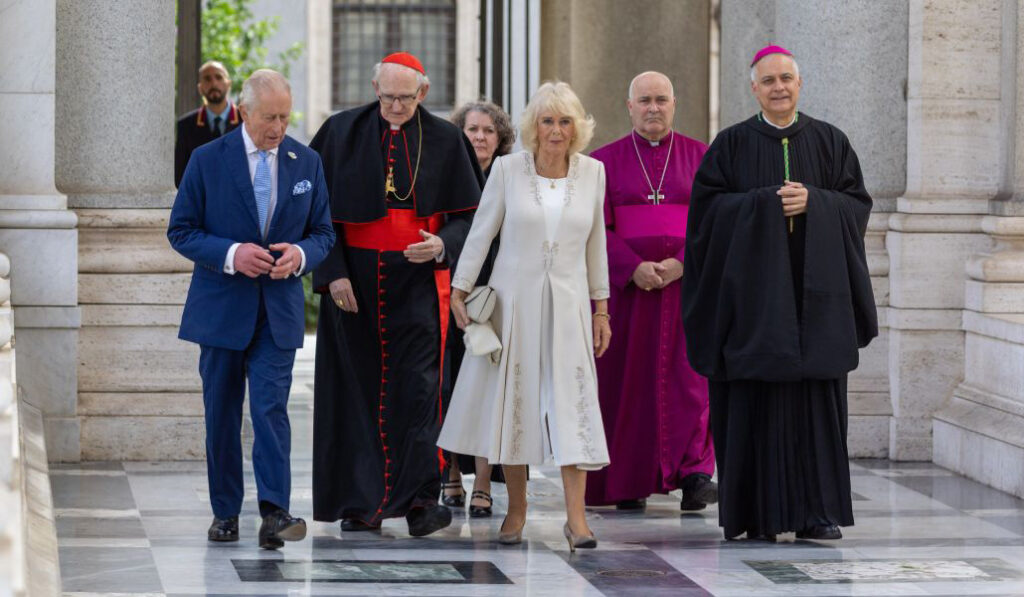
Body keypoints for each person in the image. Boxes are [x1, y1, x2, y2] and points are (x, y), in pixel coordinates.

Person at [681, 46, 877, 542]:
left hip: (818, 306)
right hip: (753, 309)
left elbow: (857, 205)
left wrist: (817, 203)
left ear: (800, 83)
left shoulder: (832, 142)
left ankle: (818, 513)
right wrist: (767, 208)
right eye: (768, 81)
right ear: (754, 89)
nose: (779, 87)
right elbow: (706, 219)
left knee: (817, 408)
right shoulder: (729, 146)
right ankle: (755, 515)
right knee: (753, 405)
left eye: (787, 78)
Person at [309, 52, 483, 537]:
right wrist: (332, 272)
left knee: (420, 392)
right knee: (355, 392)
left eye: (405, 99)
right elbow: (312, 212)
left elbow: (471, 216)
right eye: (386, 97)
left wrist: (442, 244)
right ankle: (359, 503)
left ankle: (422, 502)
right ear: (375, 89)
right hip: (354, 287)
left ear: (422, 94)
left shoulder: (447, 140)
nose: (394, 107)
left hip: (417, 284)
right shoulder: (340, 133)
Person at [439, 81, 612, 551]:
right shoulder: (508, 170)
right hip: (513, 303)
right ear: (534, 126)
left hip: (571, 306)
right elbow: (481, 231)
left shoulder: (594, 173)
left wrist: (601, 307)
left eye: (565, 121)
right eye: (547, 120)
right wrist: (460, 286)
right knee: (513, 404)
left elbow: (597, 245)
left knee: (572, 406)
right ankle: (516, 510)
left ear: (577, 127)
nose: (556, 130)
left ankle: (577, 519)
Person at [168, 69, 335, 549]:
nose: (278, 127)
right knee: (222, 415)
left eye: (285, 116)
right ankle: (225, 513)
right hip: (221, 309)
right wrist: (231, 254)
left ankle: (275, 513)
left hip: (278, 313)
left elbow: (323, 233)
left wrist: (300, 257)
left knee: (270, 411)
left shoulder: (306, 162)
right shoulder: (206, 160)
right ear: (245, 111)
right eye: (269, 117)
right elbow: (181, 230)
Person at [584, 71, 717, 512]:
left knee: (690, 383)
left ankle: (695, 475)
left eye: (661, 99)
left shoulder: (703, 157)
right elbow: (593, 230)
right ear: (629, 106)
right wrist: (631, 267)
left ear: (674, 103)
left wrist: (683, 262)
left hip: (686, 291)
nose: (653, 108)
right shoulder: (601, 163)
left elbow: (713, 223)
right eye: (644, 100)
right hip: (627, 295)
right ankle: (629, 480)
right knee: (627, 384)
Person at [442, 100, 516, 517]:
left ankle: (484, 483)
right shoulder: (447, 176)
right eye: (473, 129)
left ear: (500, 138)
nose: (480, 137)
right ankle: (450, 474)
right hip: (450, 295)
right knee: (451, 388)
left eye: (489, 131)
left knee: (489, 391)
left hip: (497, 296)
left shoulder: (511, 178)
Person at [175, 60, 242, 187]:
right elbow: (180, 176)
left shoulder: (246, 121)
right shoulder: (185, 125)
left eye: (219, 77)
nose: (214, 83)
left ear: (228, 84)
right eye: (207, 79)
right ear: (200, 88)